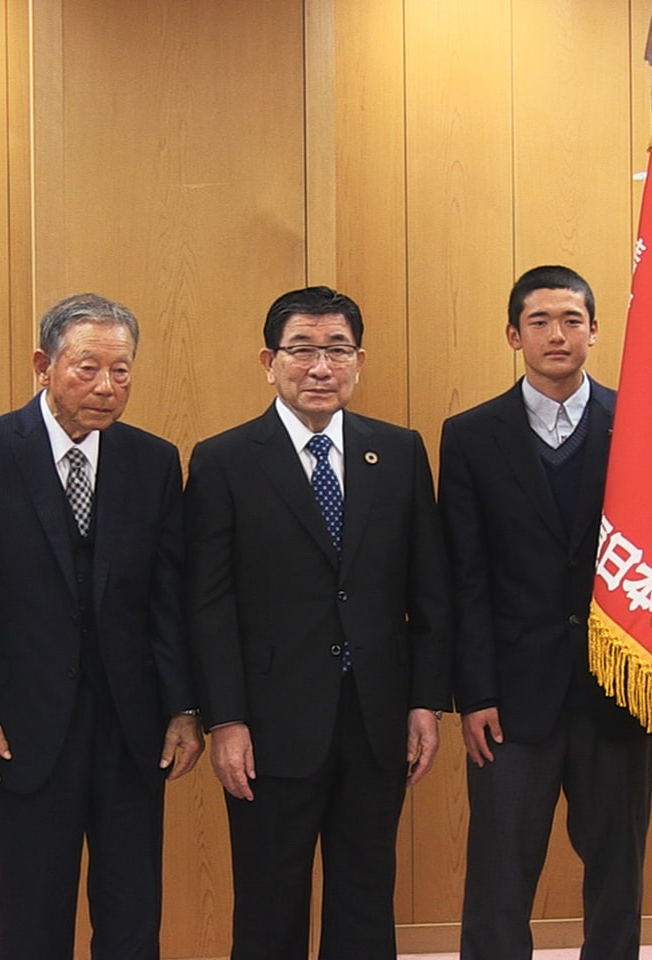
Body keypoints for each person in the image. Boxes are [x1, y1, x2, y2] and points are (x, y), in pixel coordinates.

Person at [0, 293, 202, 960]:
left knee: (133, 914)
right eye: (87, 368)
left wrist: (183, 707)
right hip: (24, 728)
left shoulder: (154, 460)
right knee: (31, 917)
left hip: (132, 728)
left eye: (122, 371)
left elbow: (170, 598)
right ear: (42, 366)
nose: (107, 388)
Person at [185, 285, 450, 960]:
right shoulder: (223, 460)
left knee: (366, 899)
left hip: (375, 717)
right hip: (270, 727)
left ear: (359, 361)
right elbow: (208, 605)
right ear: (269, 361)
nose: (320, 367)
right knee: (269, 903)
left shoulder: (397, 452)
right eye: (302, 350)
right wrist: (226, 720)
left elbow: (431, 593)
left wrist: (424, 700)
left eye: (337, 350)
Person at [439, 265, 652, 960]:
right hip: (512, 702)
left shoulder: (643, 426)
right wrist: (474, 694)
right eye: (539, 321)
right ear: (513, 335)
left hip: (618, 694)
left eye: (571, 320)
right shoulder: (470, 435)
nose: (556, 335)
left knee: (618, 877)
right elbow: (463, 579)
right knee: (499, 879)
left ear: (595, 330)